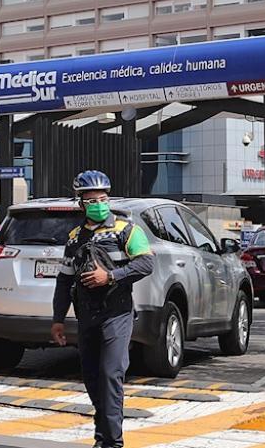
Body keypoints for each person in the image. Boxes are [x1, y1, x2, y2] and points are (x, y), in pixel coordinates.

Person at [51, 170, 154, 448]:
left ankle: (112, 442)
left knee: (111, 374)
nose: (98, 203)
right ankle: (103, 436)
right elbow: (63, 280)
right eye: (91, 200)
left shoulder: (126, 230)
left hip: (116, 315)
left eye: (103, 198)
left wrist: (109, 277)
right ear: (81, 203)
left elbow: (146, 264)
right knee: (92, 377)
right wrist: (57, 319)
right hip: (86, 317)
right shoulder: (74, 237)